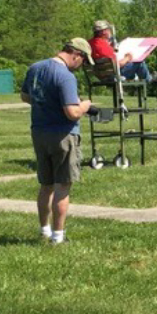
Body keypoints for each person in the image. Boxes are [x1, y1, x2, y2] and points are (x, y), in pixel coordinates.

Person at [19, 39, 97, 245]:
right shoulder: (65, 76)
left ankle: (44, 229)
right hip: (63, 135)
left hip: (39, 132)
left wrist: (47, 102)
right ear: (76, 54)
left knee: (46, 185)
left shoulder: (35, 68)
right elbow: (72, 113)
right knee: (62, 185)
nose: (81, 66)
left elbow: (25, 96)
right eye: (83, 61)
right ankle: (58, 236)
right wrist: (85, 106)